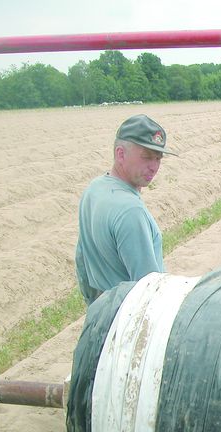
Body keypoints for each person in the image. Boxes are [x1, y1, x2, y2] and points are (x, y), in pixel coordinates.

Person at [75, 114, 176, 305]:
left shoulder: (94, 189)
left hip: (102, 312)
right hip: (126, 320)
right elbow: (149, 289)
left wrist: (95, 308)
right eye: (147, 157)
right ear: (121, 154)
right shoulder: (130, 211)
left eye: (158, 158)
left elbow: (81, 261)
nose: (154, 167)